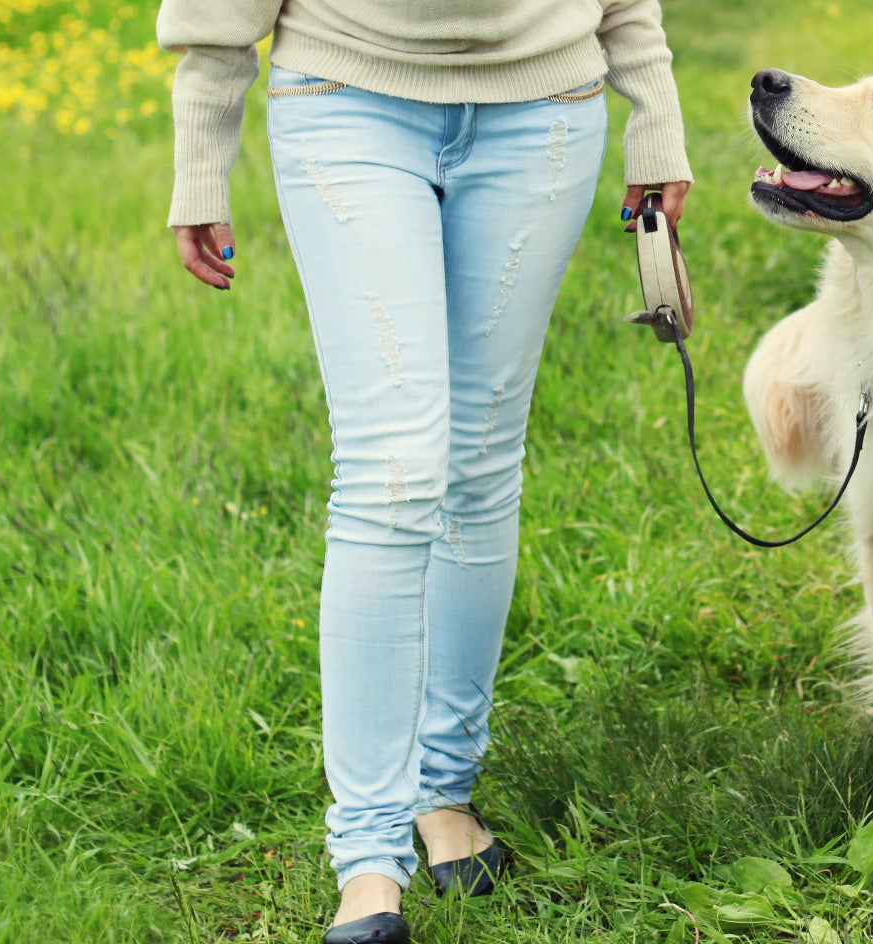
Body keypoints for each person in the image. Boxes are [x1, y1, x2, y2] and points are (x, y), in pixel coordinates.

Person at [156, 2, 691, 941]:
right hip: (346, 94)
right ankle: (367, 858)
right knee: (391, 472)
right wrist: (202, 151)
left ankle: (443, 791)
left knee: (482, 464)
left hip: (548, 105)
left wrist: (653, 105)